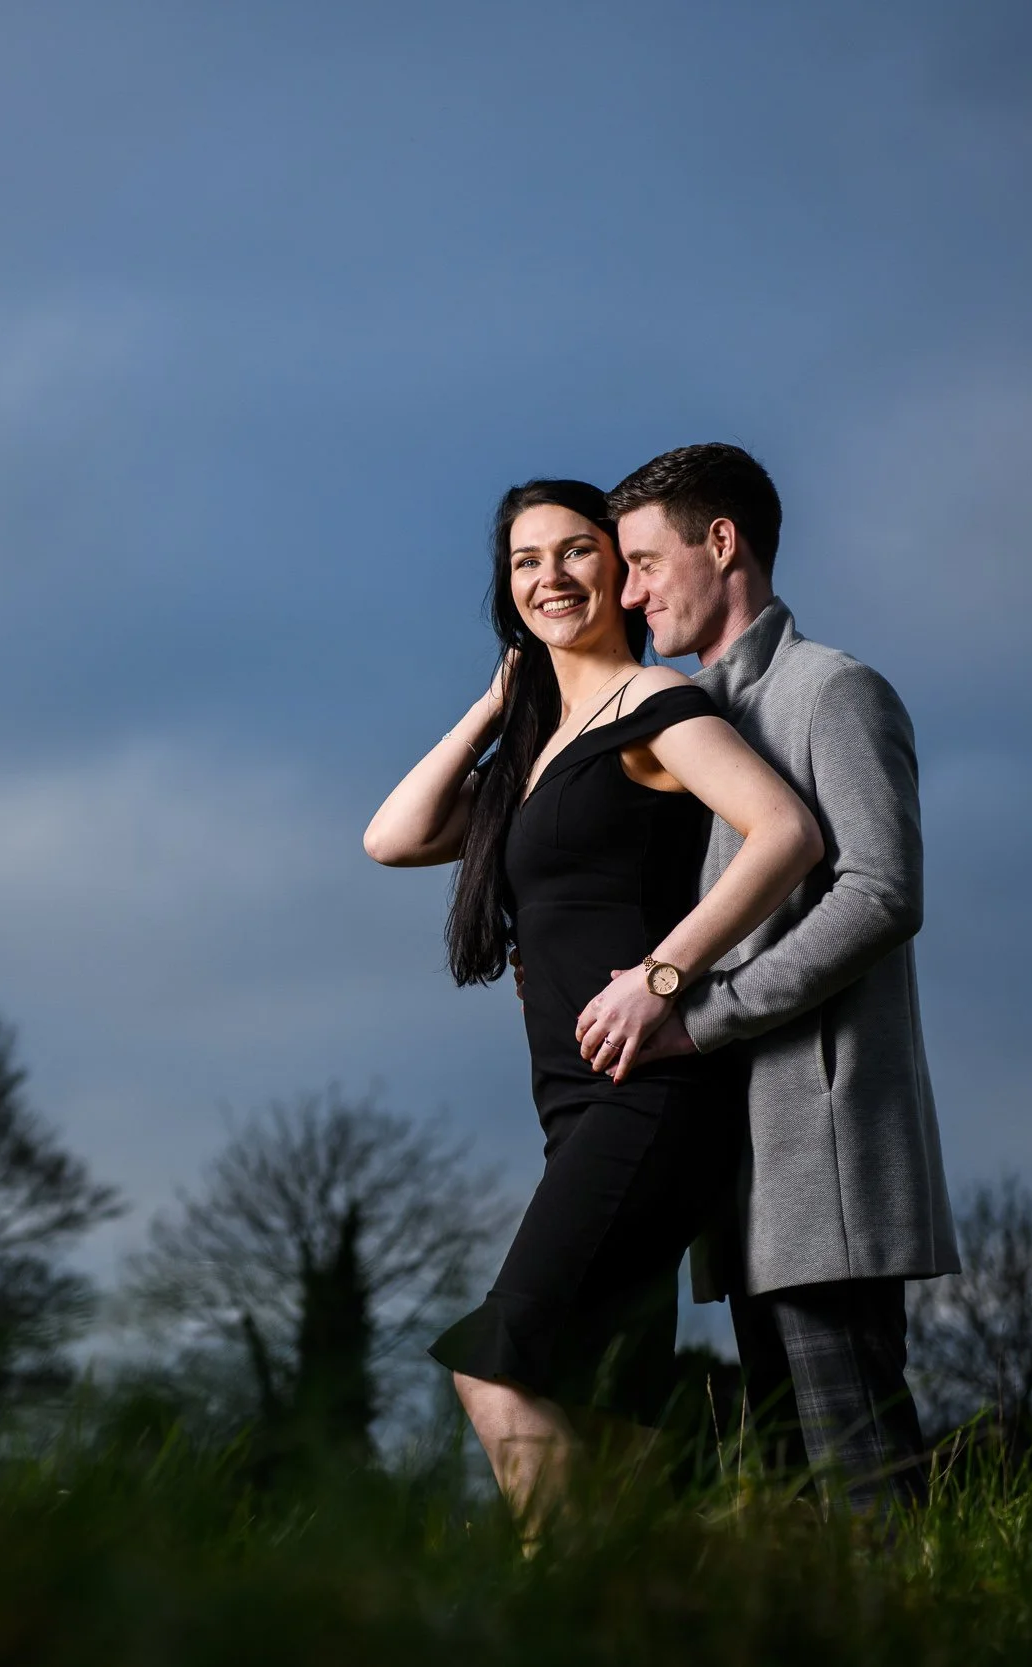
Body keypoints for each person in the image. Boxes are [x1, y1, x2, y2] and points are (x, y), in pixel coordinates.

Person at [363, 478, 823, 1536]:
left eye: (576, 550)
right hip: (574, 1107)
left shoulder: (657, 705)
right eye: (525, 561)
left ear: (621, 571)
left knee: (498, 1367)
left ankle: (563, 1601)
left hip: (653, 1094)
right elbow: (393, 836)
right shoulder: (535, 757)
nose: (551, 576)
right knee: (607, 1419)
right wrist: (496, 704)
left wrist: (662, 974)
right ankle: (649, 1599)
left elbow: (785, 831)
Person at [596, 442, 959, 1514]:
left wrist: (700, 1013)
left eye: (643, 563)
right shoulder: (681, 724)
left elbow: (881, 894)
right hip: (740, 1170)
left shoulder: (833, 691)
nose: (629, 594)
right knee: (797, 1500)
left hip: (826, 1160)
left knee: (865, 1491)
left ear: (723, 543)